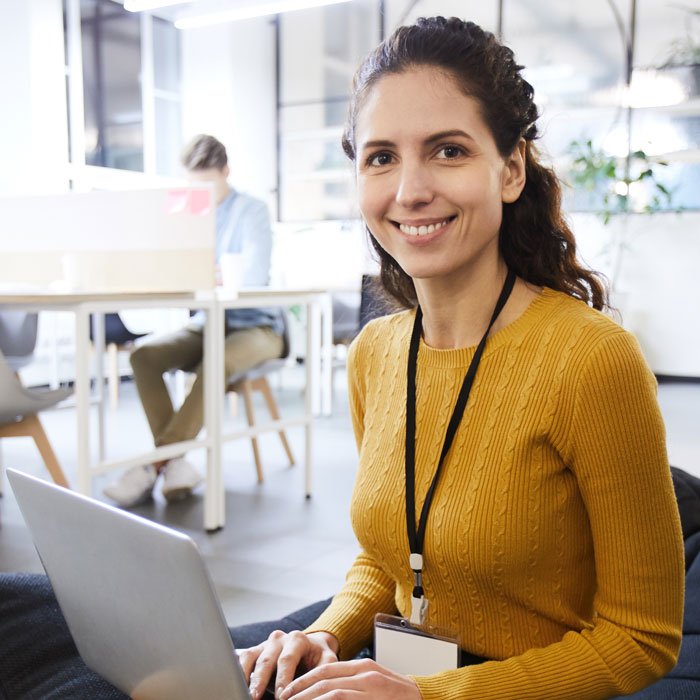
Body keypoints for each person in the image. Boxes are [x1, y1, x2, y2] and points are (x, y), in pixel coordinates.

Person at [233, 16, 685, 700]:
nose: (410, 190)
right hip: (403, 665)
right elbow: (389, 559)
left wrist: (432, 696)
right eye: (381, 157)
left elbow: (642, 639)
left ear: (509, 170)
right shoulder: (376, 353)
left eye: (447, 150)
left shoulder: (593, 360)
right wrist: (325, 636)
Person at [103, 134, 284, 507]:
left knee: (215, 360)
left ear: (225, 172)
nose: (198, 193)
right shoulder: (184, 213)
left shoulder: (252, 211)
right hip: (207, 322)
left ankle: (155, 464)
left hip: (257, 326)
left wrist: (211, 272)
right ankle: (177, 464)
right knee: (144, 358)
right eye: (192, 184)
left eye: (206, 184)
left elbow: (250, 277)